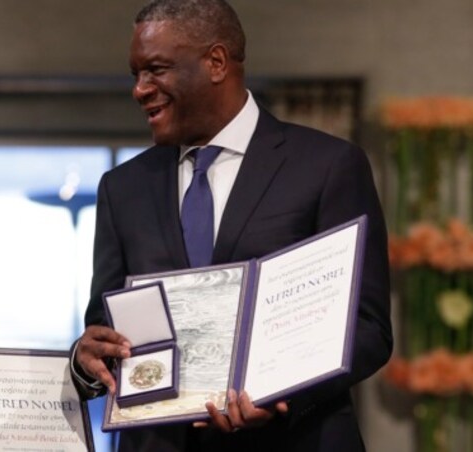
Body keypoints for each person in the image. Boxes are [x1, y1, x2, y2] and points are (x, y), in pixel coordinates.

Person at [71, 1, 392, 451]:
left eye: (155, 69)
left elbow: (368, 328)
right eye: (135, 74)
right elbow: (104, 326)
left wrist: (280, 396)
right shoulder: (122, 188)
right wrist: (85, 358)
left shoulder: (327, 166)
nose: (140, 90)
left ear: (216, 62)